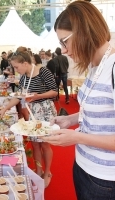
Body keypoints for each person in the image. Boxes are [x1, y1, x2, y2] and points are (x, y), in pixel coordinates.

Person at [40, 1, 115, 199]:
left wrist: (76, 137)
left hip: (105, 178)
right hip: (83, 165)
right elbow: (99, 111)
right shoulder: (94, 65)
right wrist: (71, 120)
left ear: (83, 31)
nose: (63, 50)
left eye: (65, 41)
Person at [0, 51, 58, 188]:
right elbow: (19, 96)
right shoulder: (24, 77)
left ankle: (47, 172)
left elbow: (54, 91)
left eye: (17, 67)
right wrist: (5, 108)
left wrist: (37, 96)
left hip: (45, 111)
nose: (16, 70)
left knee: (45, 144)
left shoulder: (44, 72)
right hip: (32, 112)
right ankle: (38, 170)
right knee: (35, 144)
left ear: (25, 63)